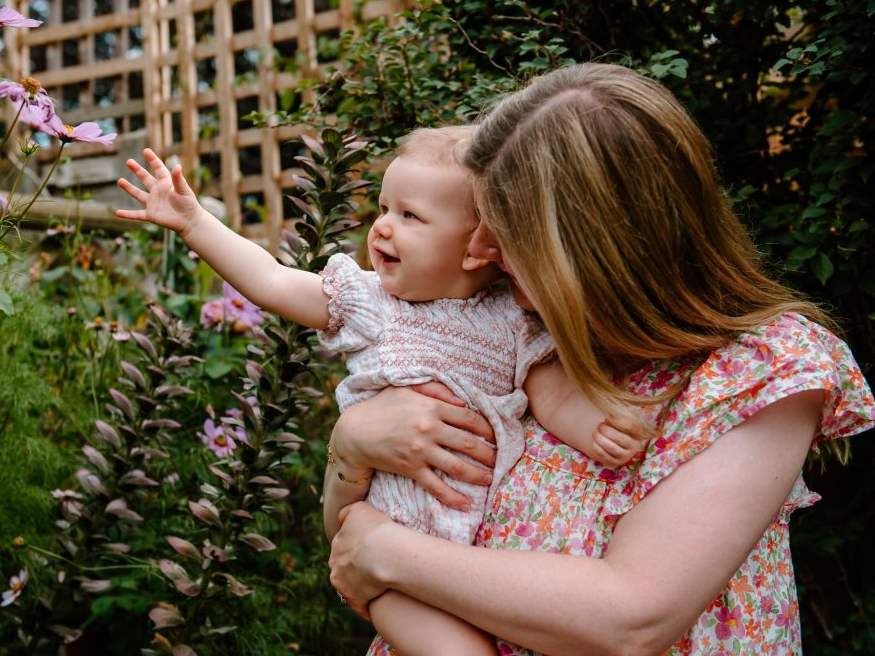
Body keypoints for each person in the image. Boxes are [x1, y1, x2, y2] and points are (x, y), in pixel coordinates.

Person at [325, 62, 875, 655]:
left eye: (506, 230)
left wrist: (390, 554)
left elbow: (633, 618)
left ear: (591, 244)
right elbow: (353, 551)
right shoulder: (527, 337)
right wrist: (349, 452)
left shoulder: (764, 371)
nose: (479, 251)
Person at [114, 127, 644, 656]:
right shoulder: (370, 302)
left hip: (479, 550)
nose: (383, 227)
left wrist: (595, 430)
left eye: (409, 216)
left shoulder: (512, 319)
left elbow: (550, 395)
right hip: (391, 541)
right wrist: (194, 222)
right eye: (385, 207)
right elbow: (273, 282)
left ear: (478, 248)